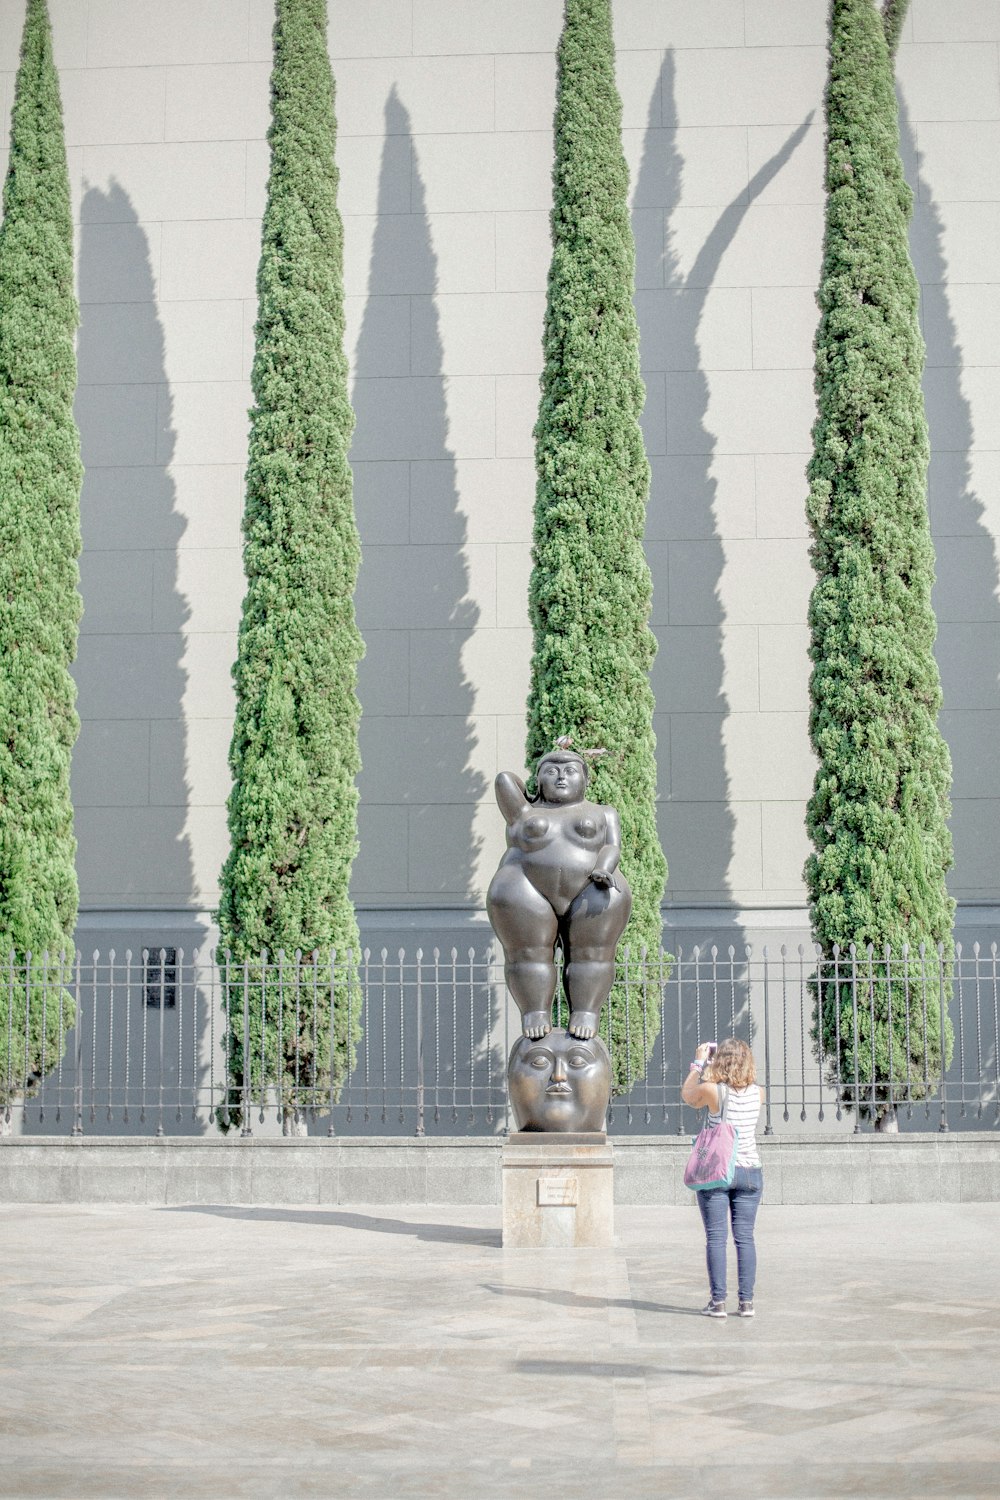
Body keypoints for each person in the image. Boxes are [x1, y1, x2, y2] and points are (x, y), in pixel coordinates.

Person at [486, 748, 631, 1040]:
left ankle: (586, 1010)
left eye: (570, 771)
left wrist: (604, 867)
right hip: (526, 886)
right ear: (538, 780)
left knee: (593, 954)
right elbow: (504, 780)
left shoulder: (603, 812)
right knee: (527, 954)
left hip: (592, 886)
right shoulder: (523, 812)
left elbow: (611, 846)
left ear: (585, 780)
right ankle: (534, 1010)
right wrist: (533, 790)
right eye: (551, 771)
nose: (561, 776)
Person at [681, 1037, 765, 1319]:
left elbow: (688, 1095)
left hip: (718, 1171)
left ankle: (718, 1302)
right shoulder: (759, 1093)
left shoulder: (713, 1091)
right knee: (745, 1238)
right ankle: (747, 1303)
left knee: (716, 1238)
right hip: (751, 1171)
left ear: (720, 1061)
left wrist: (698, 1062)